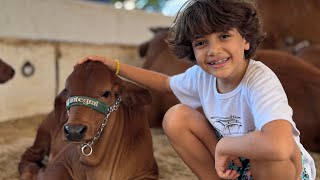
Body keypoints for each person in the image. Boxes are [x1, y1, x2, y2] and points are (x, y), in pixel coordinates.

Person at [77, 0, 316, 179]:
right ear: (192, 50)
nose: (213, 50)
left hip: (282, 168)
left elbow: (279, 146)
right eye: (201, 42)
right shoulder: (201, 76)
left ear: (245, 41)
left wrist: (224, 146)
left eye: (224, 36)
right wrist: (116, 67)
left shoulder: (260, 79)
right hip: (237, 160)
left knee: (267, 154)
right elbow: (164, 83)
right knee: (176, 117)